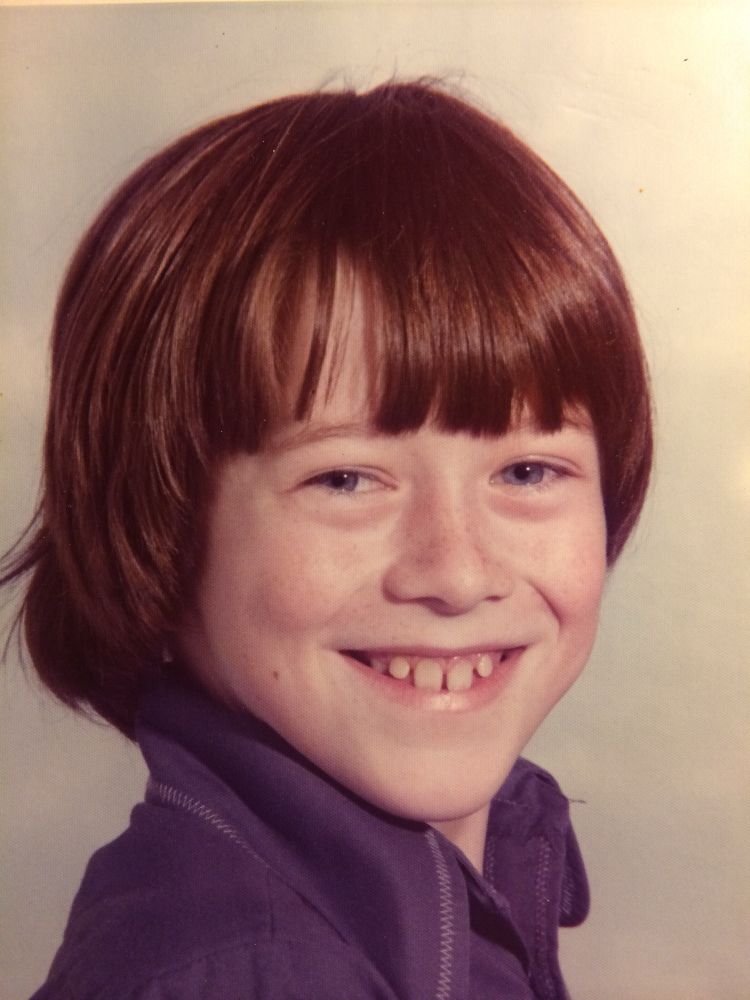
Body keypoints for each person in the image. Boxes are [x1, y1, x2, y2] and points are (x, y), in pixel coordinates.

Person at [1, 80, 652, 999]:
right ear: (160, 525)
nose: (458, 573)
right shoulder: (252, 974)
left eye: (528, 472)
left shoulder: (418, 914)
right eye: (345, 479)